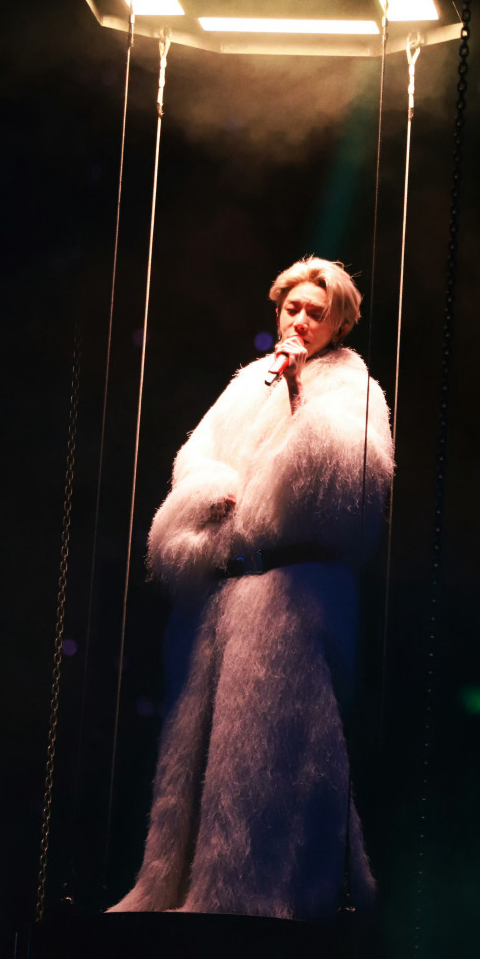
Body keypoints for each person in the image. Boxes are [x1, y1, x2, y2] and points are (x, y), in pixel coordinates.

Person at [108, 256, 394, 919]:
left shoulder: (353, 387)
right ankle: (167, 884)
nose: (301, 320)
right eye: (292, 308)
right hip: (225, 594)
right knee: (191, 752)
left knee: (277, 748)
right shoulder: (246, 386)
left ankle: (257, 891)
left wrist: (297, 398)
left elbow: (347, 483)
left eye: (316, 312)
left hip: (294, 596)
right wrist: (211, 499)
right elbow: (195, 463)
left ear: (339, 323)